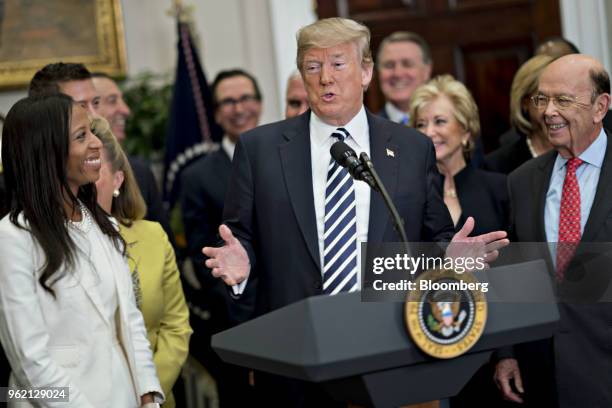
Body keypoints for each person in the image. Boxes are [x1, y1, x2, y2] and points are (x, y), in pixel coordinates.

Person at [203, 17, 508, 406]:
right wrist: (240, 266)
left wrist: (449, 259)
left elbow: (434, 236)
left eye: (338, 64)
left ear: (366, 72)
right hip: (296, 361)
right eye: (313, 66)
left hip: (391, 351)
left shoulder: (412, 148)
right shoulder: (260, 150)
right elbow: (238, 237)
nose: (325, 77)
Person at [0, 94, 164, 407]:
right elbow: (28, 360)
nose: (97, 143)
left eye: (91, 131)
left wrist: (148, 396)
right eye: (81, 136)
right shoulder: (13, 237)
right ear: (46, 151)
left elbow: (130, 322)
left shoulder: (104, 225)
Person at [493, 54, 612, 407]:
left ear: (600, 106)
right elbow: (515, 274)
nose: (548, 111)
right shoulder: (521, 181)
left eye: (563, 99)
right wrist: (507, 351)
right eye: (542, 99)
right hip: (542, 373)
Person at [92, 117, 192, 408]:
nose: (86, 181)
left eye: (97, 170)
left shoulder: (152, 237)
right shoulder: (52, 242)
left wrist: (148, 393)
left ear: (118, 180)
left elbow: (176, 326)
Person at [179, 68, 262, 407]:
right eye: (228, 101)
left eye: (245, 98)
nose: (238, 108)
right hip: (233, 320)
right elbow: (201, 255)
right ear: (215, 113)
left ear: (259, 103)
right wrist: (237, 304)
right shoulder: (197, 177)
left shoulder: (293, 159)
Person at [28, 63, 173, 242]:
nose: (95, 115)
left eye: (96, 103)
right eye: (80, 105)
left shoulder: (137, 172)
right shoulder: (22, 192)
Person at [410, 75, 509, 235]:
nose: (428, 132)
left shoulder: (500, 188)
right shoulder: (410, 193)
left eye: (440, 121)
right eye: (421, 124)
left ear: (465, 130)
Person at [484, 55, 555, 174]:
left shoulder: (583, 151)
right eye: (542, 99)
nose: (552, 109)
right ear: (525, 103)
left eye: (561, 98)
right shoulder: (499, 165)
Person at [376, 31, 432, 124]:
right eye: (389, 65)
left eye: (407, 64)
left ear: (427, 71)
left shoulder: (447, 125)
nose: (398, 73)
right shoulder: (365, 130)